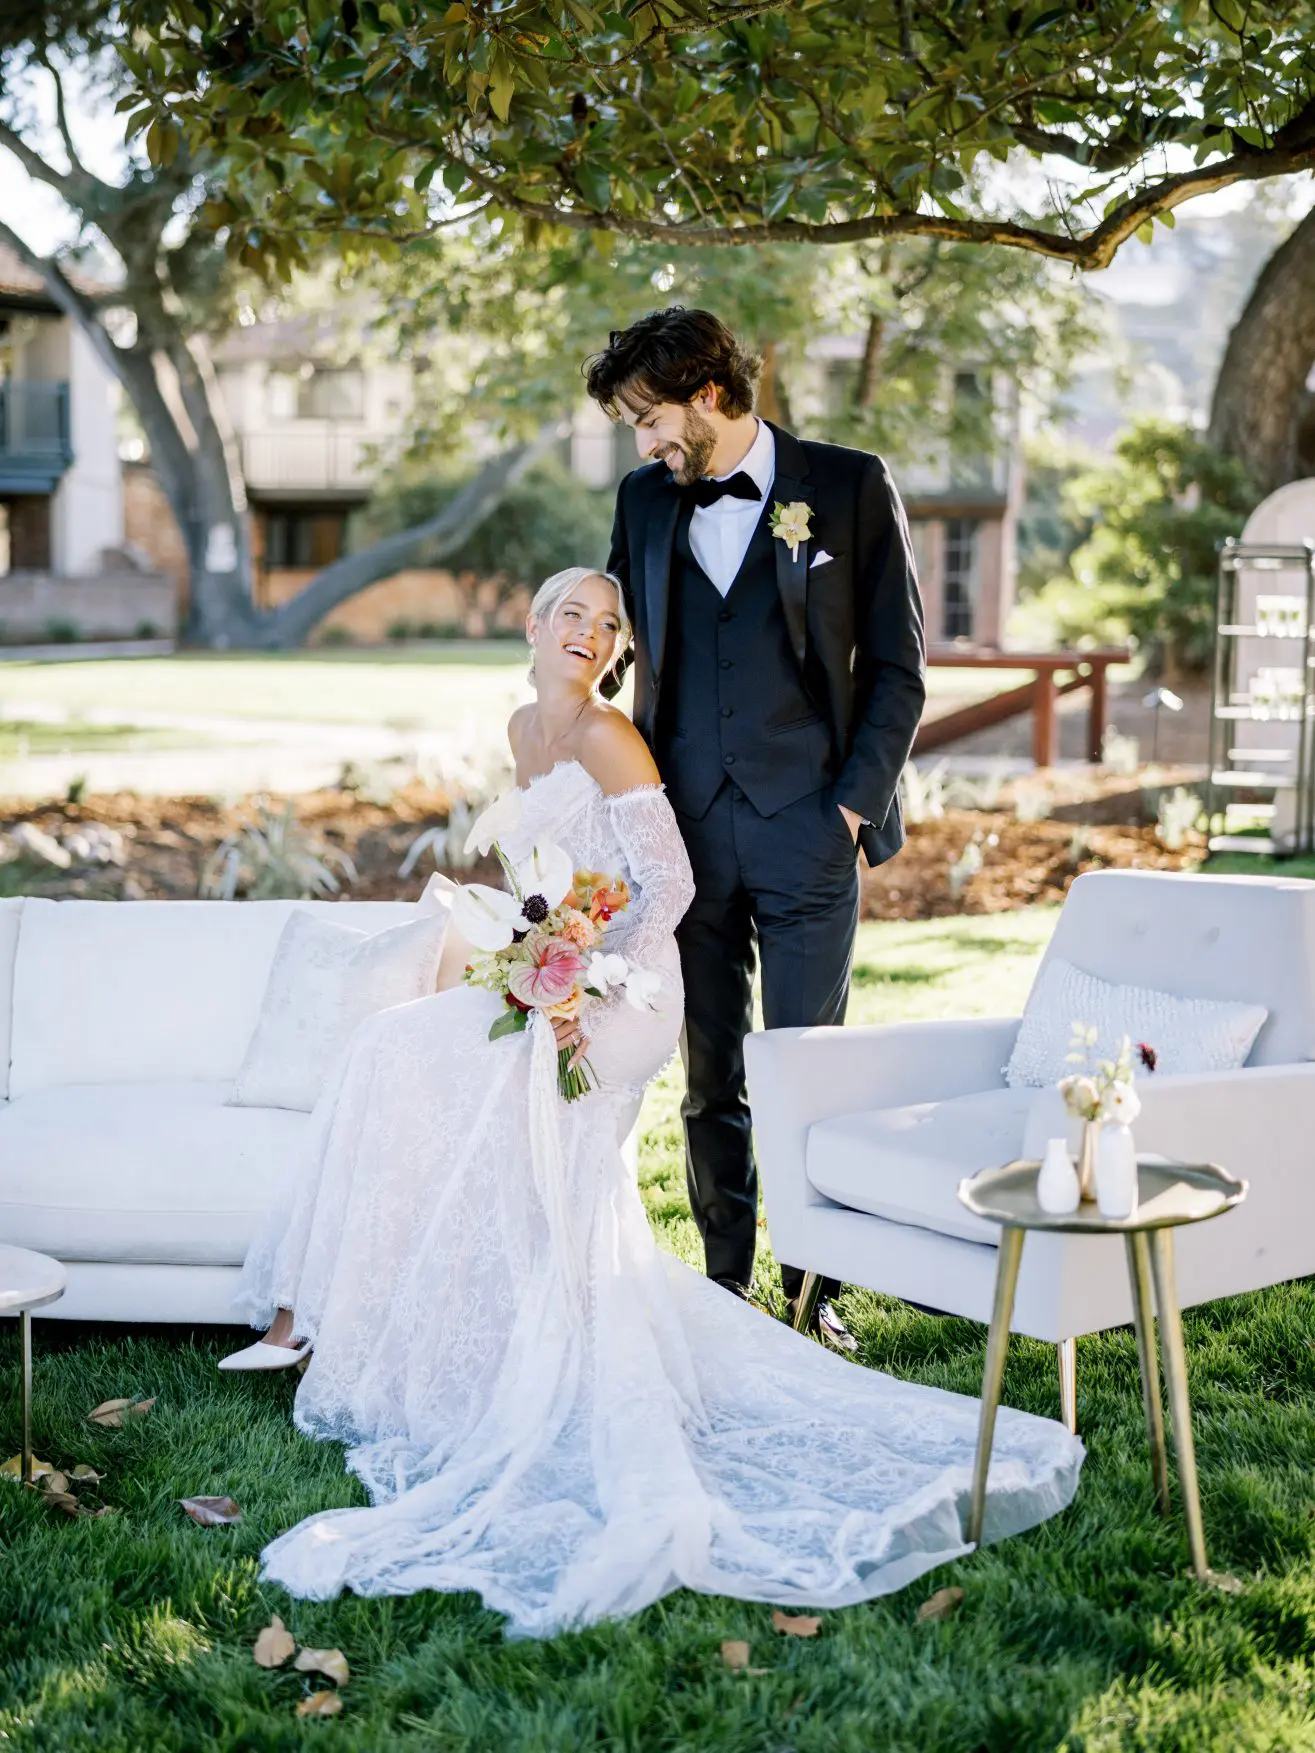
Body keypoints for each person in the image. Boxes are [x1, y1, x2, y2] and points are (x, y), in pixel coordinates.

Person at [216, 565, 1081, 1639]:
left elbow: (664, 884)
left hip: (623, 986)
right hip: (553, 974)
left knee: (424, 1063)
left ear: (617, 650)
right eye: (569, 614)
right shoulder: (524, 724)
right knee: (396, 1055)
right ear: (531, 626)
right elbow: (546, 867)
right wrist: (531, 951)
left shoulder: (607, 737)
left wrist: (577, 969)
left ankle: (462, 1335)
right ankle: (411, 1324)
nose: (587, 633)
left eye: (606, 624)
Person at [587, 307, 926, 1345]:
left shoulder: (850, 485)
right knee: (709, 1072)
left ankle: (815, 1293)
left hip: (807, 828)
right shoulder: (645, 502)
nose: (642, 445)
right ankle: (727, 1289)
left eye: (649, 419)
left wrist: (849, 807)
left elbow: (898, 672)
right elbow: (613, 640)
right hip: (680, 835)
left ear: (711, 394)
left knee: (804, 1066)